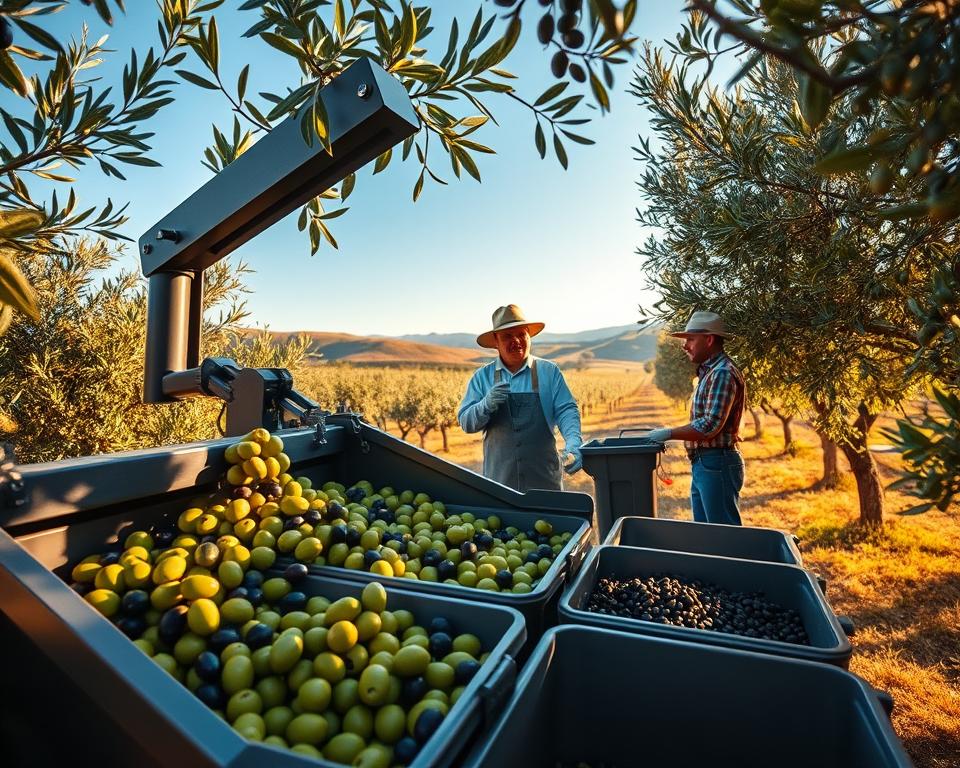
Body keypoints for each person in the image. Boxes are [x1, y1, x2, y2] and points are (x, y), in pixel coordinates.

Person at [457, 304, 582, 492]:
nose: (516, 341)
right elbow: (466, 423)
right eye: (507, 336)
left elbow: (566, 411)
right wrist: (485, 405)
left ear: (529, 337)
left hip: (545, 484)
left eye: (521, 334)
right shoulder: (482, 377)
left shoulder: (549, 372)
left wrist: (574, 443)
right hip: (499, 487)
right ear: (496, 342)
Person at [645, 311, 746, 525]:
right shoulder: (710, 372)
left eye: (690, 339)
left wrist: (668, 433)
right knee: (706, 535)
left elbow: (710, 425)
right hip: (706, 463)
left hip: (716, 462)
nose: (685, 345)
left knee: (723, 537)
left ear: (708, 340)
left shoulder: (721, 373)